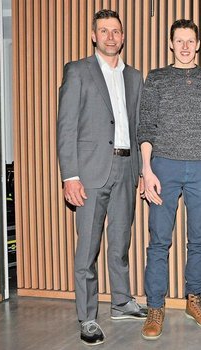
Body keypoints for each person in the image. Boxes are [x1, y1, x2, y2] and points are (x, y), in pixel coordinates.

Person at [57, 9, 147, 346]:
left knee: (120, 242)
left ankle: (121, 301)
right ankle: (88, 317)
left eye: (116, 31)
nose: (111, 36)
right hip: (91, 172)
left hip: (126, 169)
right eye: (104, 31)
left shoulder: (135, 77)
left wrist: (139, 170)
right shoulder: (78, 71)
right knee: (88, 250)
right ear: (94, 35)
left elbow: (137, 127)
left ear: (123, 37)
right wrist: (70, 176)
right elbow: (65, 127)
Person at [137, 19, 201, 340]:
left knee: (198, 239)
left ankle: (194, 299)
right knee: (159, 240)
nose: (186, 46)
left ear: (198, 44)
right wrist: (146, 171)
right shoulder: (157, 78)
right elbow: (145, 127)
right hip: (164, 166)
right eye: (180, 41)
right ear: (171, 44)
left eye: (191, 41)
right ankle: (155, 307)